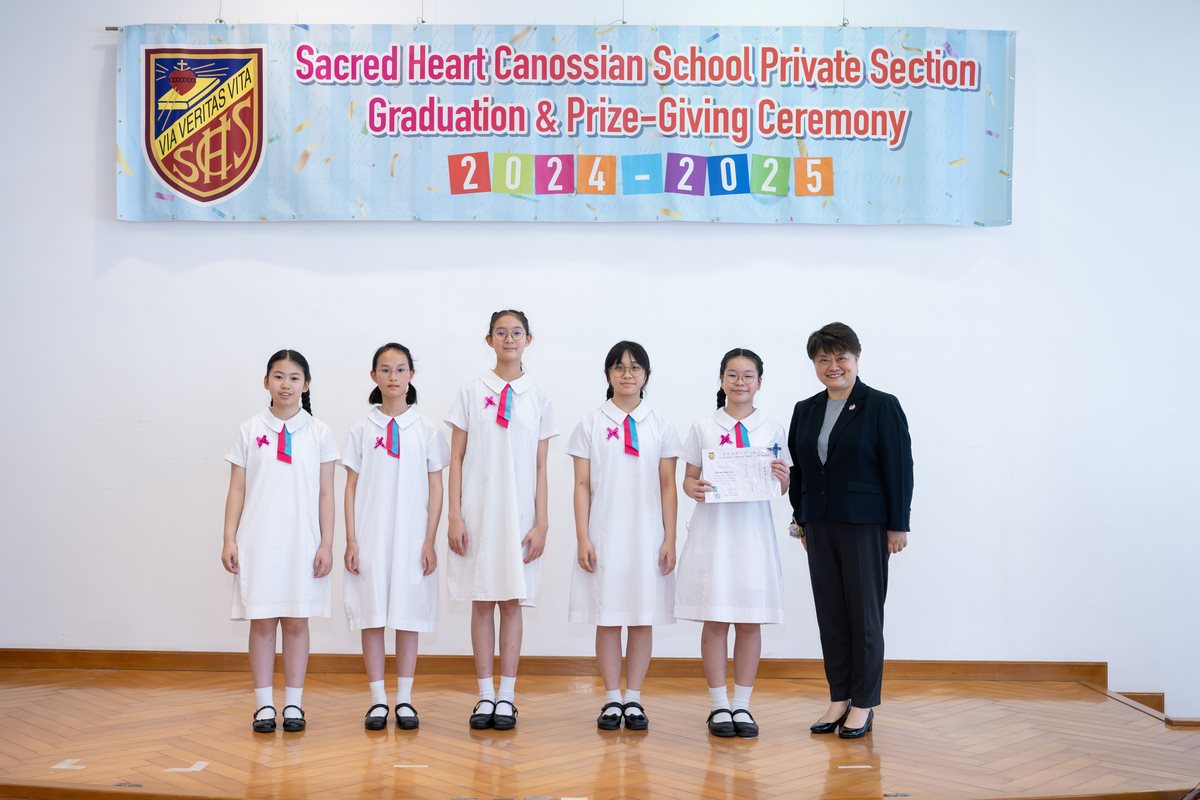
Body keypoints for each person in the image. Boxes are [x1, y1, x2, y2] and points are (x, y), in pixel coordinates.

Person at [787, 322, 913, 739]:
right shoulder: (805, 409)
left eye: (840, 357)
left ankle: (864, 703)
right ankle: (839, 697)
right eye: (823, 359)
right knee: (831, 616)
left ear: (856, 358)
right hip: (819, 524)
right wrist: (800, 521)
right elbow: (801, 470)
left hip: (865, 525)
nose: (833, 366)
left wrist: (898, 524)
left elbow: (899, 467)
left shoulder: (881, 405)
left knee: (864, 616)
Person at [446, 309, 556, 731]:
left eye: (517, 332)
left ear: (529, 339)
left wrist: (542, 522)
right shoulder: (471, 391)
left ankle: (507, 696)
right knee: (481, 600)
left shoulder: (538, 396)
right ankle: (484, 695)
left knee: (512, 601)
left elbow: (541, 466)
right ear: (488, 340)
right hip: (477, 512)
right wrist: (454, 515)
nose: (509, 339)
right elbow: (456, 457)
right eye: (501, 332)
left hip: (520, 515)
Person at [221, 349, 339, 733]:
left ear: (306, 384)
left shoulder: (319, 433)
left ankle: (293, 704)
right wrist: (229, 538)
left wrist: (326, 544)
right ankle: (263, 706)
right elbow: (237, 488)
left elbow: (326, 493)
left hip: (303, 542)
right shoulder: (249, 430)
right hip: (258, 541)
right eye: (278, 376)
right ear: (266, 381)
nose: (285, 384)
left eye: (294, 377)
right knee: (261, 622)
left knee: (297, 621)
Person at [677, 349, 791, 738]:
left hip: (753, 535)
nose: (740, 382)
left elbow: (781, 485)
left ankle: (742, 704)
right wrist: (694, 488)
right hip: (715, 532)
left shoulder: (772, 429)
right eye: (732, 375)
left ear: (759, 382)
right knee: (715, 617)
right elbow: (688, 478)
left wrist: (783, 478)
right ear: (721, 379)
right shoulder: (703, 426)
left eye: (747, 376)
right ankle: (718, 705)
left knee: (749, 619)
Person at [567, 341, 680, 731]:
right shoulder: (591, 423)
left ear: (647, 374)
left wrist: (669, 538)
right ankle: (612, 698)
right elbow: (581, 484)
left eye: (634, 367)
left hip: (647, 535)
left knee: (642, 616)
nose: (627, 374)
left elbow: (668, 485)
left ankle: (634, 698)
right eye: (619, 367)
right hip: (604, 532)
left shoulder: (661, 424)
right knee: (608, 616)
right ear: (608, 374)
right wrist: (582, 537)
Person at [343, 343, 449, 731]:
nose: (393, 377)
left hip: (412, 539)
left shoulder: (427, 430)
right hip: (370, 536)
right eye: (385, 370)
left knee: (407, 616)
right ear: (374, 376)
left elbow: (436, 487)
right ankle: (377, 699)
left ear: (411, 376)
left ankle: (404, 698)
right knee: (371, 616)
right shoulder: (360, 430)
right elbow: (350, 488)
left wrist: (429, 539)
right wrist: (351, 540)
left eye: (400, 369)